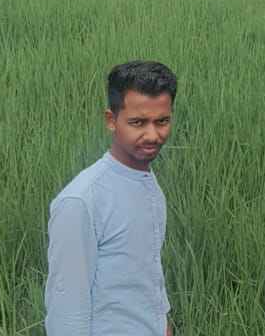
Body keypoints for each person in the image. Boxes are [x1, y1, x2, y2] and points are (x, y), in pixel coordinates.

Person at [45, 61, 177, 335]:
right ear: (111, 120)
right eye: (137, 122)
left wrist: (163, 325)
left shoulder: (147, 182)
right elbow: (66, 312)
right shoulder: (81, 202)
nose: (152, 135)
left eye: (162, 121)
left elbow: (149, 273)